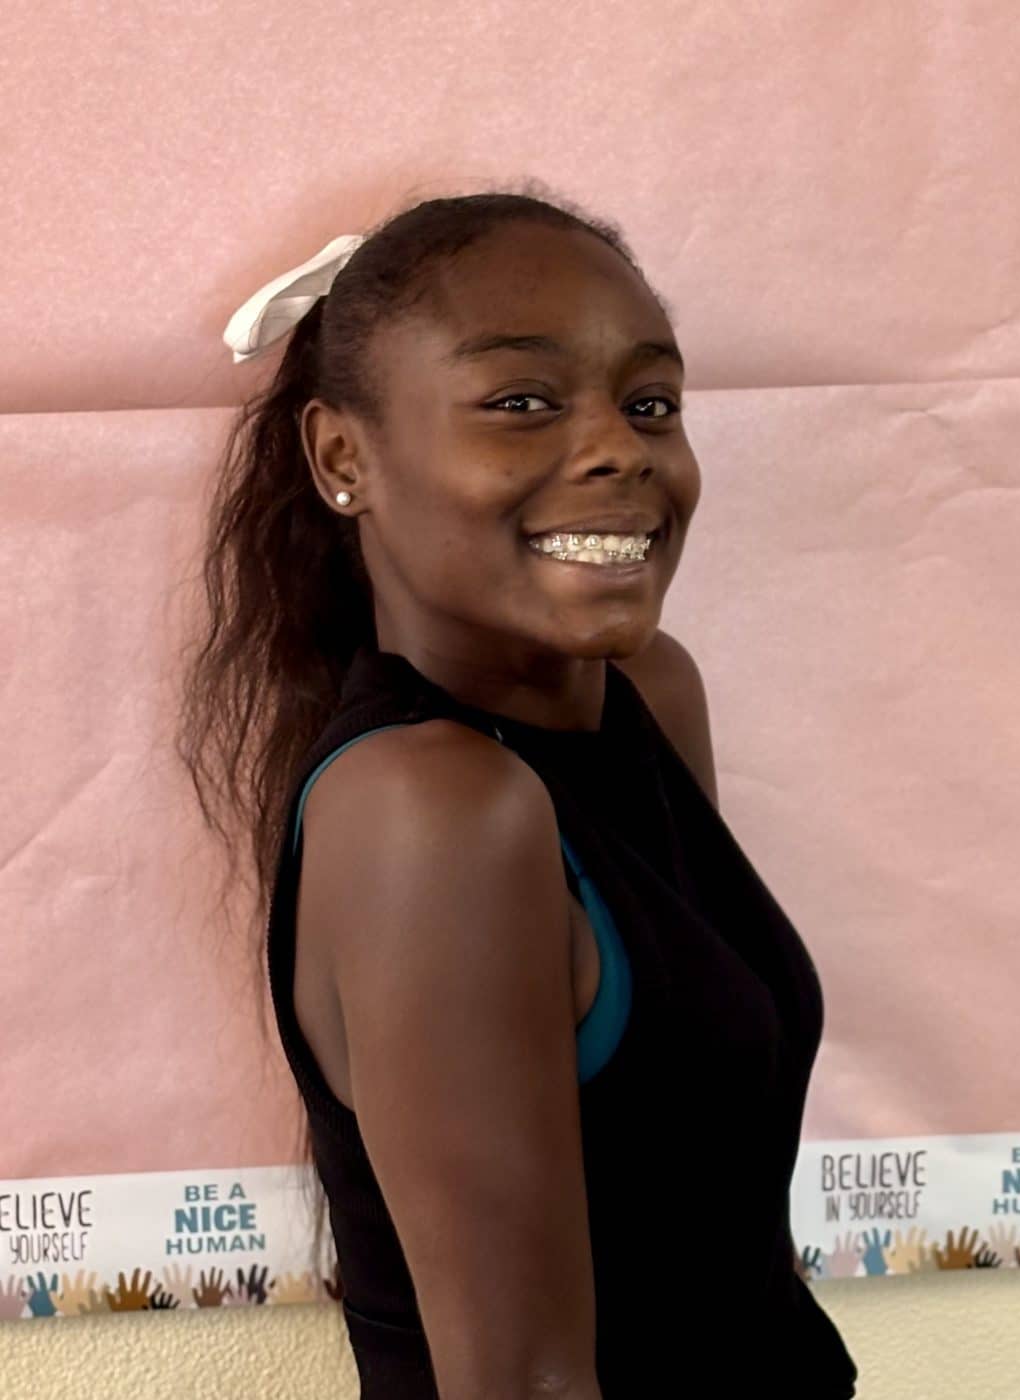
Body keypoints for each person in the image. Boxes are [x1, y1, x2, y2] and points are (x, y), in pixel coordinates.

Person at [178, 183, 859, 1398]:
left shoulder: (650, 692)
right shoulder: (435, 812)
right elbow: (525, 1381)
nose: (620, 449)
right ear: (343, 458)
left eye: (650, 403)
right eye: (522, 402)